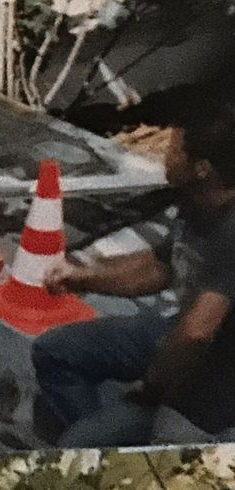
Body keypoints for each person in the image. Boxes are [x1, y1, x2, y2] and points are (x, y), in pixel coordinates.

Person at [32, 105, 235, 445]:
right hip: (176, 337)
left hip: (210, 385)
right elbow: (161, 264)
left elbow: (196, 334)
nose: (165, 154)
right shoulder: (198, 202)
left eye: (174, 148)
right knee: (56, 352)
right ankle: (109, 437)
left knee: (76, 446)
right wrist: (81, 275)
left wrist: (150, 388)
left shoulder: (231, 232)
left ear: (202, 168)